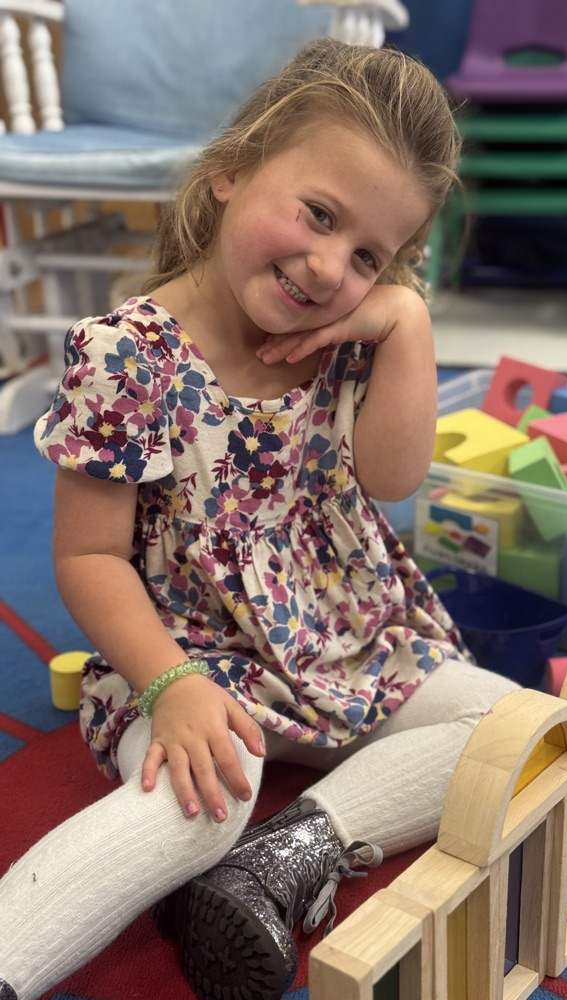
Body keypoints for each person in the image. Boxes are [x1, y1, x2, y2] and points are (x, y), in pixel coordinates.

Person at [0, 38, 518, 1000]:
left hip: (350, 637)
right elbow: (87, 556)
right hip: (196, 652)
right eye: (318, 214)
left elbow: (395, 475)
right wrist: (175, 686)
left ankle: (279, 862)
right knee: (206, 792)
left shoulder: (357, 336)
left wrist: (406, 322)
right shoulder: (127, 355)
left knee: (516, 727)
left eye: (370, 253)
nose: (329, 268)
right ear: (231, 169)